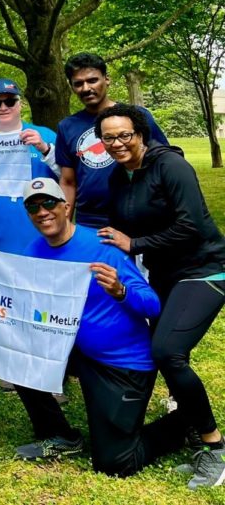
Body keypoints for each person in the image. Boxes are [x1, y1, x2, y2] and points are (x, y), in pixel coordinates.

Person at [0, 178, 189, 478]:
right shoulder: (32, 252)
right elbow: (16, 300)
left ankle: (186, 423)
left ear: (66, 207)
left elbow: (152, 305)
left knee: (115, 463)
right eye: (33, 206)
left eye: (49, 203)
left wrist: (121, 290)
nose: (42, 211)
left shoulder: (102, 248)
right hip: (72, 349)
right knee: (15, 353)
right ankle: (59, 435)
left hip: (122, 362)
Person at [95, 104, 225, 489]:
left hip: (205, 269)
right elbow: (114, 228)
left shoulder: (171, 167)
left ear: (141, 134)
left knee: (168, 352)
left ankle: (215, 448)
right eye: (108, 138)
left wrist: (135, 243)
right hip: (164, 275)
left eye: (124, 135)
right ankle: (190, 431)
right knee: (164, 353)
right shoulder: (119, 178)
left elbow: (193, 225)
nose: (117, 144)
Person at [55, 53, 169, 228]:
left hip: (138, 216)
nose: (86, 88)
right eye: (78, 83)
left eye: (92, 80)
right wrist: (65, 224)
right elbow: (68, 181)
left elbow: (165, 163)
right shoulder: (66, 127)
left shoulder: (136, 116)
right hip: (90, 222)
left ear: (106, 79)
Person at [0, 78, 59, 254]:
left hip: (41, 238)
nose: (3, 107)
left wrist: (45, 149)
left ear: (20, 104)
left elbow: (68, 178)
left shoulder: (46, 135)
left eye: (10, 101)